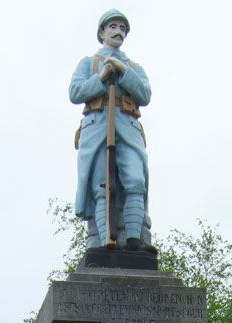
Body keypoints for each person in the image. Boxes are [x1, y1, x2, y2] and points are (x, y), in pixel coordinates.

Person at [69, 10, 151, 250]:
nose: (118, 32)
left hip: (128, 128)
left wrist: (124, 72)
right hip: (97, 130)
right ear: (102, 32)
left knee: (135, 180)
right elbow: (75, 93)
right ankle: (103, 242)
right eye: (113, 26)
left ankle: (135, 240)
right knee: (101, 185)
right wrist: (102, 76)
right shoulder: (89, 63)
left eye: (122, 28)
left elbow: (145, 95)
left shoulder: (134, 67)